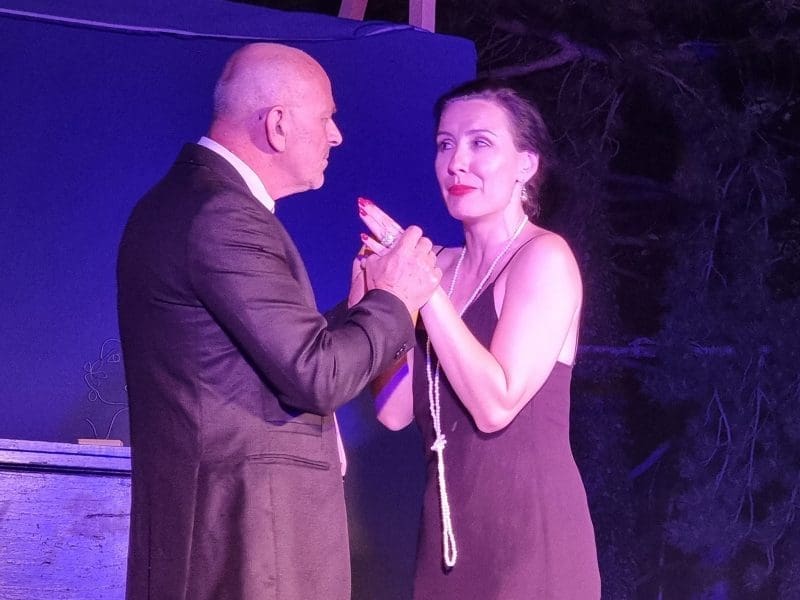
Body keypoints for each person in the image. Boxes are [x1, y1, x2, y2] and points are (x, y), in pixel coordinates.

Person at [117, 43, 441, 600]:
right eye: (326, 118)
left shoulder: (193, 201)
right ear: (278, 125)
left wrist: (361, 308)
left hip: (229, 538)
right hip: (247, 545)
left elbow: (259, 358)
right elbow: (317, 376)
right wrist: (396, 298)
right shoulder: (223, 214)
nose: (337, 135)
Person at [360, 79, 601, 599]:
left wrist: (425, 292)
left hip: (530, 540)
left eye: (480, 143)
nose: (456, 163)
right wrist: (375, 299)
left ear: (525, 165)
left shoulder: (543, 257)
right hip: (448, 539)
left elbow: (496, 405)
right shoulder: (436, 265)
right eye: (445, 144)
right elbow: (393, 410)